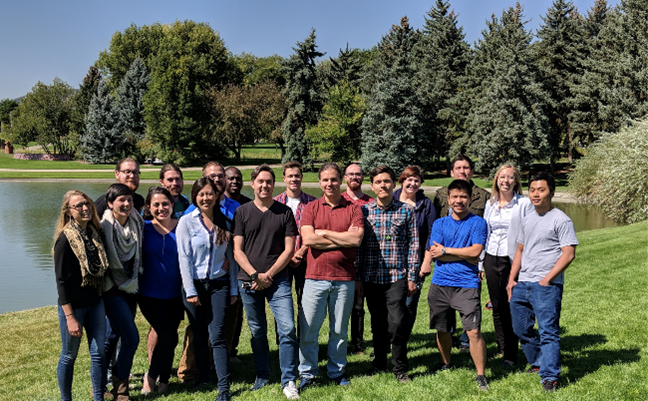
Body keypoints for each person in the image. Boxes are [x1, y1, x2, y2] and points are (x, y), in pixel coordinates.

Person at [233, 164, 300, 399]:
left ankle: (289, 379)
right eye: (260, 181)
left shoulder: (284, 212)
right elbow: (237, 251)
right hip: (248, 282)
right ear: (253, 184)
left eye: (269, 182)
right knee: (258, 331)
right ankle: (262, 375)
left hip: (278, 280)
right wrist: (255, 275)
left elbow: (289, 249)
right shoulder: (242, 212)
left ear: (274, 184)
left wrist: (268, 275)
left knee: (288, 328)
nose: (264, 185)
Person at [507, 172, 578, 392]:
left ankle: (550, 376)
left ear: (551, 192)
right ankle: (538, 363)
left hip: (546, 286)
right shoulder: (527, 218)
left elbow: (568, 253)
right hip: (522, 284)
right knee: (521, 329)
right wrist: (511, 280)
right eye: (532, 190)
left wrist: (547, 279)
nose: (536, 194)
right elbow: (520, 250)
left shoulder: (561, 219)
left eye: (541, 190)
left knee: (548, 331)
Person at [297, 163, 364, 391]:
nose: (329, 184)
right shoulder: (311, 208)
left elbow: (355, 241)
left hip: (344, 278)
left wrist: (324, 233)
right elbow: (309, 240)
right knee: (309, 329)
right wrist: (341, 238)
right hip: (314, 277)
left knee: (339, 329)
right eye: (325, 180)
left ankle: (336, 371)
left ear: (341, 181)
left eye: (334, 179)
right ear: (319, 182)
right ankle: (307, 373)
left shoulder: (353, 208)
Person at [422, 179, 489, 391]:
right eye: (454, 197)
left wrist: (447, 251)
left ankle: (480, 375)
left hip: (467, 284)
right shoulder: (439, 224)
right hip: (440, 283)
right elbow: (434, 253)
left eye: (463, 197)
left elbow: (476, 252)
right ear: (448, 199)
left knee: (473, 331)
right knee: (442, 329)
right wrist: (464, 254)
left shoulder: (478, 222)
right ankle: (446, 363)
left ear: (470, 199)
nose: (458, 201)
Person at [178, 161, 240, 383]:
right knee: (198, 332)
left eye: (210, 194)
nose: (206, 198)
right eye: (201, 194)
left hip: (219, 285)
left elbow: (231, 259)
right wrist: (189, 290)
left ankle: (223, 381)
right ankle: (202, 374)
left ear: (216, 195)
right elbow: (183, 258)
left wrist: (233, 288)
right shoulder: (186, 222)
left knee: (217, 335)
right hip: (195, 286)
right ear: (195, 196)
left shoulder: (224, 222)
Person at [356, 165, 419, 383]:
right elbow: (359, 248)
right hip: (371, 276)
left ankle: (400, 368)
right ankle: (379, 362)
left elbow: (414, 245)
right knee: (377, 322)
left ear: (393, 184)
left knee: (397, 323)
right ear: (372, 186)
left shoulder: (407, 211)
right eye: (378, 182)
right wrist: (358, 278)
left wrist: (412, 276)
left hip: (397, 277)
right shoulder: (364, 212)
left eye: (387, 181)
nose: (383, 185)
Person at [54, 190, 109, 401]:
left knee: (98, 353)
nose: (85, 208)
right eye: (78, 206)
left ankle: (98, 398)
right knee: (69, 356)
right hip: (73, 307)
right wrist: (69, 317)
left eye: (86, 204)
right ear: (68, 211)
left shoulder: (94, 233)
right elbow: (60, 282)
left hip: (95, 301)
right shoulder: (65, 239)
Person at [433, 154, 489, 352]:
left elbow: (486, 232)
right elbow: (436, 228)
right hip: (444, 262)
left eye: (466, 167)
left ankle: (467, 339)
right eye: (458, 168)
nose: (462, 171)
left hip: (472, 261)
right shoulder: (440, 194)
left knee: (469, 303)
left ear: (471, 171)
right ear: (451, 172)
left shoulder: (483, 195)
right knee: (445, 307)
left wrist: (481, 262)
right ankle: (448, 337)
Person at [481, 164, 532, 367]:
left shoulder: (524, 204)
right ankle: (502, 348)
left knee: (512, 305)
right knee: (497, 306)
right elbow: (486, 232)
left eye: (510, 177)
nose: (506, 181)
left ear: (516, 181)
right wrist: (480, 263)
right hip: (492, 257)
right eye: (502, 177)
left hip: (513, 260)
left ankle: (512, 354)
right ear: (496, 180)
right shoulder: (490, 203)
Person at [101, 183, 144, 401]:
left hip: (131, 287)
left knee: (112, 336)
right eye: (121, 200)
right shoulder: (103, 227)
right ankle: (121, 388)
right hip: (111, 290)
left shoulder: (137, 222)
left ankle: (99, 384)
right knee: (131, 337)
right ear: (110, 203)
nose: (126, 204)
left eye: (129, 200)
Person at [138, 187, 184, 395]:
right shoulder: (142, 228)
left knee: (171, 337)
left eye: (165, 204)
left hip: (176, 294)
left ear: (172, 205)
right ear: (148, 208)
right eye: (155, 204)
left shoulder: (182, 226)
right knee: (166, 333)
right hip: (149, 294)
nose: (161, 208)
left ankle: (164, 380)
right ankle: (150, 377)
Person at [273, 161, 317, 342]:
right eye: (290, 176)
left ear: (301, 177)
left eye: (297, 175)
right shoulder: (275, 203)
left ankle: (304, 340)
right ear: (284, 178)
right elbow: (273, 234)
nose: (294, 179)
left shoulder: (312, 203)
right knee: (281, 301)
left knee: (304, 302)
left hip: (306, 259)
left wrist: (301, 251)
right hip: (281, 260)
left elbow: (316, 230)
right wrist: (288, 254)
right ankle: (283, 341)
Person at [393, 165, 437, 335]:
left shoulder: (426, 205)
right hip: (391, 262)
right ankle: (385, 341)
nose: (412, 183)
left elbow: (432, 235)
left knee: (409, 302)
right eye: (409, 179)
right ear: (402, 180)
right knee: (390, 303)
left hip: (415, 262)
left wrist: (426, 262)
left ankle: (402, 339)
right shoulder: (391, 199)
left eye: (416, 180)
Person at [342, 163, 373, 355]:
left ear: (363, 177)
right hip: (345, 259)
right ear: (345, 177)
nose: (355, 177)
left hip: (368, 259)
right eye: (351, 174)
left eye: (358, 174)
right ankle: (343, 341)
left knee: (362, 305)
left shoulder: (370, 203)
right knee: (347, 305)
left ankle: (358, 344)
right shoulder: (339, 200)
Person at [224, 166, 251, 362]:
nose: (235, 182)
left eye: (238, 179)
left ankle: (231, 350)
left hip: (242, 265)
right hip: (220, 264)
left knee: (237, 309)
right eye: (231, 178)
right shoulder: (217, 205)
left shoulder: (247, 205)